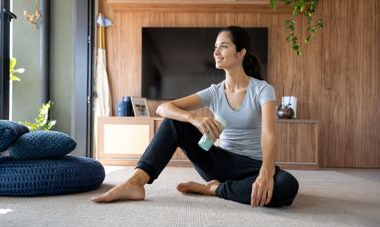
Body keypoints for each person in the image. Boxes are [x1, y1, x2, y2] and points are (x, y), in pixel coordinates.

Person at [92, 26, 299, 208]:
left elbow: (269, 135)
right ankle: (136, 182)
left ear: (241, 53)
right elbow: (163, 108)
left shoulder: (262, 90)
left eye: (224, 46)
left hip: (252, 166)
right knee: (175, 121)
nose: (216, 52)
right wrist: (193, 118)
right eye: (215, 47)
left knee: (287, 186)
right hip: (220, 163)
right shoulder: (214, 92)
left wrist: (266, 172)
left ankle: (215, 190)